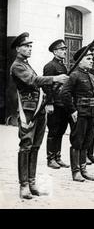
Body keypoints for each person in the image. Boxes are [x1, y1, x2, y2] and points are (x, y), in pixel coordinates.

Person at [11, 33, 69, 199]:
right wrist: (55, 78)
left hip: (38, 109)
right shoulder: (17, 66)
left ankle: (32, 183)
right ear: (18, 48)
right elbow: (33, 81)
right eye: (26, 46)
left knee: (35, 146)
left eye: (30, 46)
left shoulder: (26, 64)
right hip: (28, 111)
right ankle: (23, 186)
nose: (29, 49)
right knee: (26, 146)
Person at [60, 46, 94, 182]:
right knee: (77, 141)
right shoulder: (75, 75)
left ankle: (83, 169)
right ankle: (75, 171)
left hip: (92, 112)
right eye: (88, 59)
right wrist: (72, 110)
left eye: (92, 59)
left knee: (87, 141)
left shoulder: (92, 76)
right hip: (80, 113)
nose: (91, 61)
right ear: (80, 61)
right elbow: (65, 93)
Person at [43, 39, 72, 169]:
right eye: (61, 49)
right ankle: (50, 158)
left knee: (61, 130)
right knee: (53, 131)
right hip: (54, 103)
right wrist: (49, 103)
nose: (64, 51)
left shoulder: (63, 66)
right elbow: (46, 86)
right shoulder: (50, 66)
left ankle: (58, 157)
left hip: (63, 104)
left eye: (65, 49)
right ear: (55, 52)